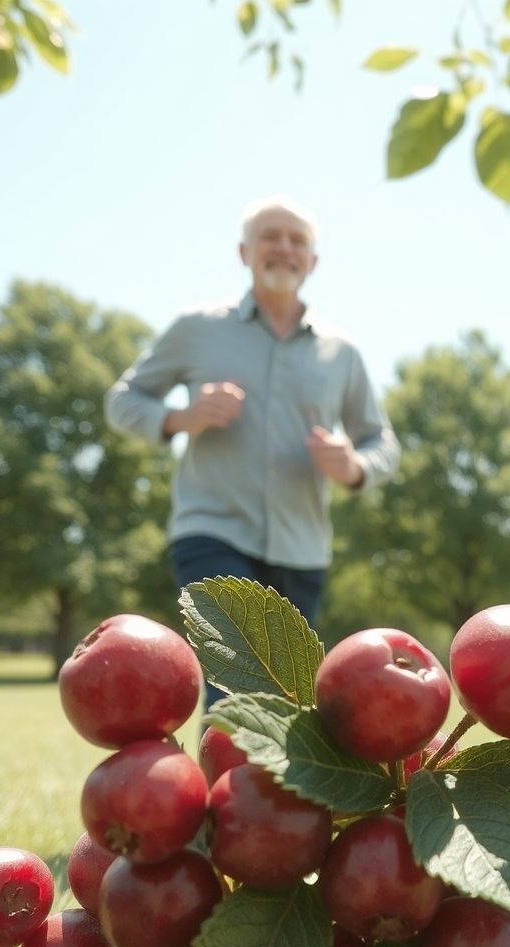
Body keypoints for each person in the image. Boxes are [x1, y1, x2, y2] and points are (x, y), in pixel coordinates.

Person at [105, 196, 400, 701]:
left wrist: (354, 467)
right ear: (244, 252)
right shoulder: (196, 328)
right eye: (270, 236)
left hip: (303, 548)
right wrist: (180, 417)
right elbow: (122, 400)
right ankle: (219, 780)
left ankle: (257, 783)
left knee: (287, 701)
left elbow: (383, 442)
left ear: (313, 261)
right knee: (235, 686)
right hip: (212, 530)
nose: (284, 247)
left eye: (297, 240)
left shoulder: (341, 352)